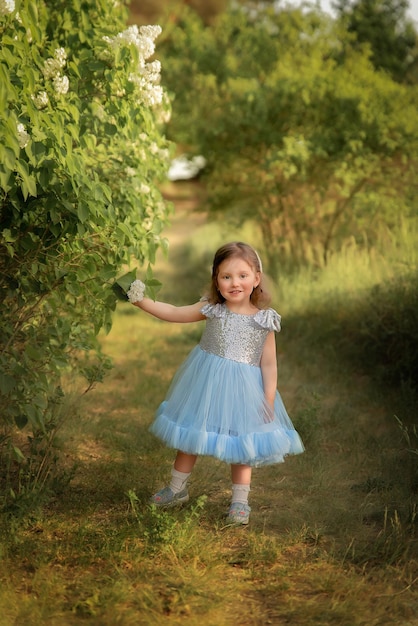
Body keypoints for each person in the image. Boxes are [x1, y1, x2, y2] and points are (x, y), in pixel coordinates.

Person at [127, 242, 304, 525]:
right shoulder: (213, 309)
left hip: (245, 389)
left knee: (242, 443)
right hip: (206, 382)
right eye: (226, 277)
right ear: (216, 281)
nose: (235, 283)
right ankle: (176, 489)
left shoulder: (263, 321)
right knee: (191, 433)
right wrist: (141, 300)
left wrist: (268, 398)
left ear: (256, 278)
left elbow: (269, 364)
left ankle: (239, 502)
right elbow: (173, 312)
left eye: (243, 275)